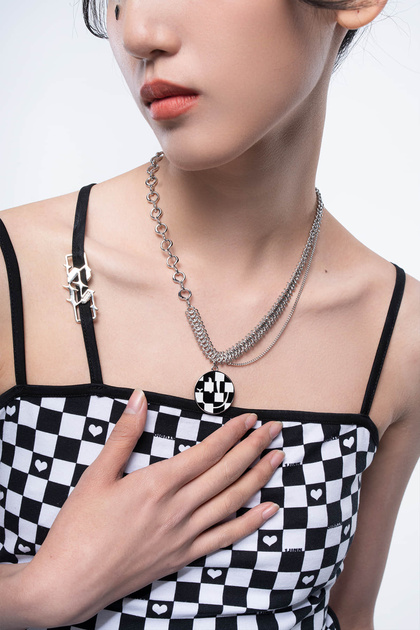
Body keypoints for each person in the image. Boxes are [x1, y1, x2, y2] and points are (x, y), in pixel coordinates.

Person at [0, 1, 419, 629]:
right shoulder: (13, 270)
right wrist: (35, 594)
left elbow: (351, 614)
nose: (139, 34)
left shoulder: (399, 329)